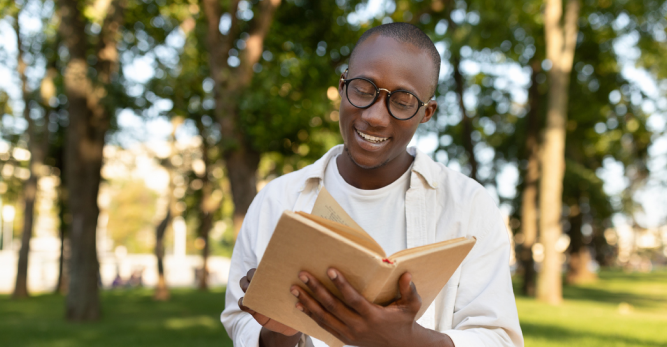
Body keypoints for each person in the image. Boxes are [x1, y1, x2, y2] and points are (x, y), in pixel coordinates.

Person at [221, 22, 524, 347]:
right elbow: (241, 325)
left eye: (403, 101)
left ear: (427, 112)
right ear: (342, 85)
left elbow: (499, 339)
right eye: (364, 89)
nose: (376, 117)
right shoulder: (276, 200)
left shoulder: (468, 205)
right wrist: (281, 331)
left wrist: (408, 340)